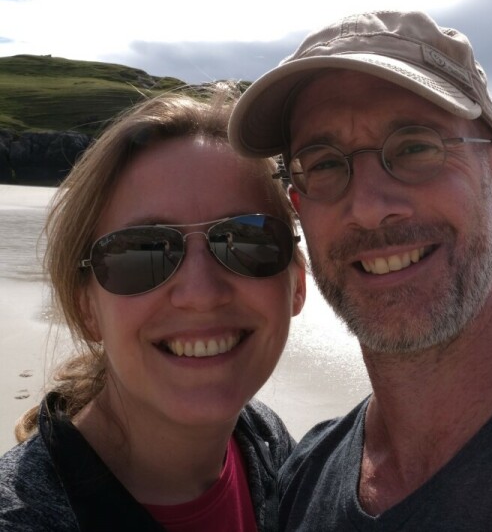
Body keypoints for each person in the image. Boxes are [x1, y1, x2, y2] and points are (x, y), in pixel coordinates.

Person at [227, 10, 492, 530]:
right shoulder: (302, 477)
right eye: (327, 163)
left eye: (416, 147)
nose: (369, 207)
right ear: (299, 206)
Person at [0, 86, 306, 531]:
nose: (200, 293)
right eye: (141, 252)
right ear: (87, 307)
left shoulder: (262, 440)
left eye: (246, 240)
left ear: (296, 283)